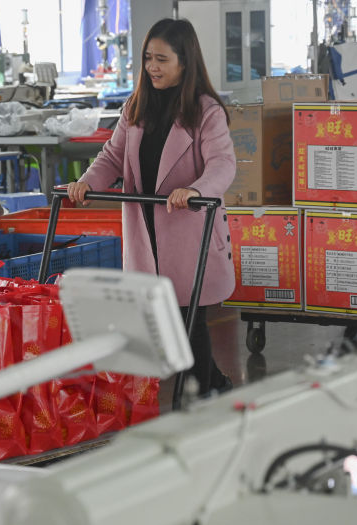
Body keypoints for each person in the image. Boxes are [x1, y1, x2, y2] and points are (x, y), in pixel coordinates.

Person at [66, 18, 236, 396]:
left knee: (188, 318)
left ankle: (205, 395)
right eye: (147, 58)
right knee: (164, 317)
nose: (152, 67)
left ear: (184, 62)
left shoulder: (205, 111)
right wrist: (87, 183)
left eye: (162, 59)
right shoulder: (136, 106)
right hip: (146, 228)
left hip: (187, 229)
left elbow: (223, 164)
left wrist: (195, 190)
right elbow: (112, 157)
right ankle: (213, 383)